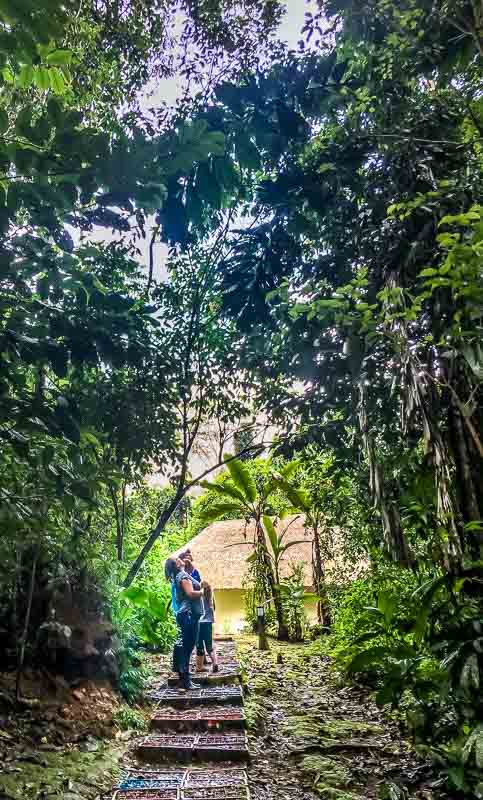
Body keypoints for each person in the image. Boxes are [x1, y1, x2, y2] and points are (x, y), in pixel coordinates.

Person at [164, 557, 203, 690]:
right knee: (187, 648)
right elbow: (191, 593)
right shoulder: (182, 575)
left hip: (184, 615)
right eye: (177, 559)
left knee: (185, 647)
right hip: (189, 615)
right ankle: (186, 681)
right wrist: (203, 592)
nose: (181, 559)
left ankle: (184, 679)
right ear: (177, 564)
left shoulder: (176, 577)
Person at [196, 581, 218, 674]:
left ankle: (199, 667)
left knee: (199, 645)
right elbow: (214, 608)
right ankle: (215, 662)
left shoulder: (198, 596)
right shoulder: (211, 597)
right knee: (210, 647)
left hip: (200, 623)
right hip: (208, 623)